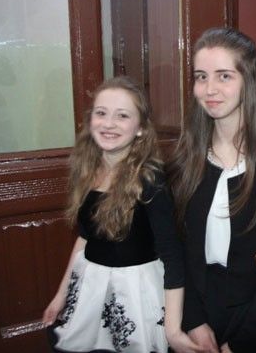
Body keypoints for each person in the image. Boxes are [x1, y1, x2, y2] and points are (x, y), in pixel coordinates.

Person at [43, 76, 198, 353]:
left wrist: (173, 329)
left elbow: (172, 255)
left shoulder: (150, 180)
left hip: (134, 293)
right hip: (90, 287)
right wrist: (60, 295)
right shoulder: (87, 169)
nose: (109, 123)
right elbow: (84, 238)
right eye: (101, 113)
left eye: (122, 116)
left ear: (141, 129)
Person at [167, 28, 256, 353]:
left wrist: (238, 344)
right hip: (197, 313)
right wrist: (193, 321)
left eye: (224, 76)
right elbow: (177, 250)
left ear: (249, 81)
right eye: (201, 77)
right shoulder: (185, 161)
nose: (209, 89)